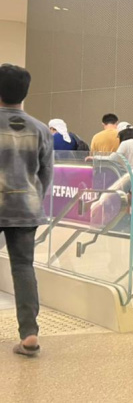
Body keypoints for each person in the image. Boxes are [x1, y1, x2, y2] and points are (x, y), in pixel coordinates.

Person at [0, 64, 53, 356]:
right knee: (23, 267)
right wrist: (34, 199)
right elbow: (46, 173)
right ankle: (29, 334)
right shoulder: (40, 129)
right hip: (26, 207)